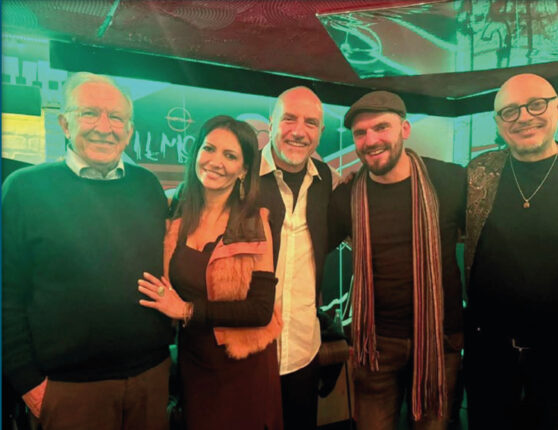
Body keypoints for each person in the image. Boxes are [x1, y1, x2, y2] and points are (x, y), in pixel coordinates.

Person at [2, 72, 173, 430]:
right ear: (65, 123)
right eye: (89, 113)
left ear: (129, 131)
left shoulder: (147, 186)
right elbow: (6, 293)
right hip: (68, 390)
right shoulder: (24, 189)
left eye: (117, 118)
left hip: (150, 379)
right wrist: (27, 383)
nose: (104, 127)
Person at [464, 73, 558, 430]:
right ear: (498, 122)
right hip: (489, 352)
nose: (524, 117)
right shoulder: (480, 172)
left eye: (536, 105)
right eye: (510, 111)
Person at [328, 91, 466, 430]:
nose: (371, 140)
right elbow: (311, 248)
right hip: (375, 344)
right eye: (360, 133)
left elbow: (481, 240)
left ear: (404, 129)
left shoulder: (450, 180)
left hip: (440, 339)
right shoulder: (347, 194)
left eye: (381, 128)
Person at [137, 115, 283, 430]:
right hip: (193, 363)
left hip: (243, 368)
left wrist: (187, 310)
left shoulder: (255, 222)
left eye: (230, 155)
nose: (215, 162)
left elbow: (261, 310)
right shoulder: (176, 211)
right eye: (209, 149)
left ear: (243, 170)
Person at [258, 86, 339, 429]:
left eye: (311, 123)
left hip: (304, 349)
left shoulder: (327, 180)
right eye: (289, 119)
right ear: (271, 123)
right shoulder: (239, 173)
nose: (299, 131)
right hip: (246, 350)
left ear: (321, 131)